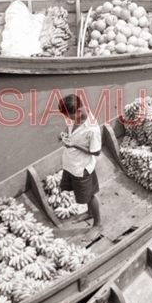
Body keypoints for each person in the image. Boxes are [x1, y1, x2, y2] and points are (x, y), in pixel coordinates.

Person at [58, 94, 102, 240]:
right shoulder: (76, 117)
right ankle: (89, 213)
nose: (69, 119)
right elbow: (71, 127)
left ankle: (97, 224)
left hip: (82, 168)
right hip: (71, 163)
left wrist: (74, 145)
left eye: (70, 115)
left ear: (79, 109)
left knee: (89, 196)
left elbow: (96, 151)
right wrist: (64, 133)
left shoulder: (92, 129)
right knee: (87, 195)